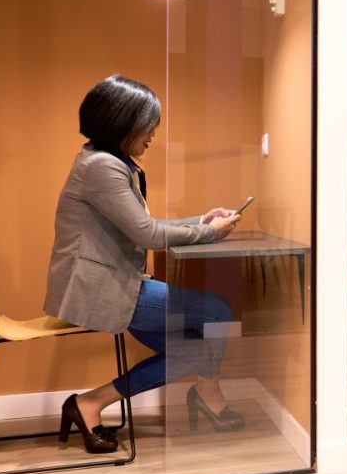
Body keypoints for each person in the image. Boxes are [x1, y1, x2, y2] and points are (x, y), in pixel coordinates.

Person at [45, 75, 245, 454]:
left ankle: (88, 403)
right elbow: (149, 236)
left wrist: (200, 222)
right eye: (147, 124)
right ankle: (209, 389)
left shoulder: (104, 162)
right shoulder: (102, 167)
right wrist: (210, 234)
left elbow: (144, 227)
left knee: (192, 351)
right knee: (217, 310)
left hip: (113, 283)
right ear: (121, 122)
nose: (153, 133)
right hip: (101, 290)